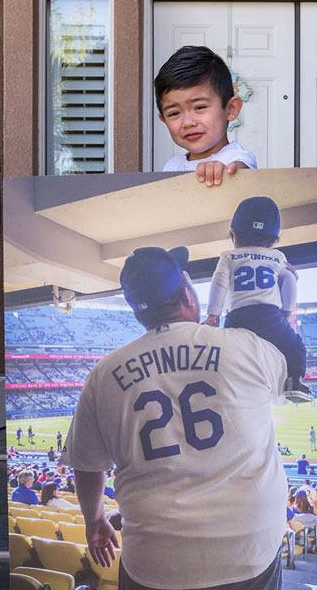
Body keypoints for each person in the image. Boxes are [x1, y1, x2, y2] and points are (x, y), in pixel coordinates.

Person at [63, 246, 287, 590]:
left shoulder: (102, 375)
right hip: (249, 554)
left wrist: (94, 520)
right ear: (187, 295)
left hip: (153, 564)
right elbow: (288, 384)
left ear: (138, 312)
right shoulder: (247, 346)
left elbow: (87, 463)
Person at [203, 196, 312, 403]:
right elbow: (289, 280)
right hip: (269, 316)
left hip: (237, 317)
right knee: (295, 346)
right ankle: (294, 383)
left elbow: (219, 282)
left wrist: (213, 315)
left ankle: (227, 386)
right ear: (273, 242)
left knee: (229, 353)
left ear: (233, 234)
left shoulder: (228, 256)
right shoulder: (278, 257)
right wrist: (286, 313)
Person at [155, 45, 256, 186]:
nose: (188, 122)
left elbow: (242, 172)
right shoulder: (171, 167)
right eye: (174, 113)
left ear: (231, 109)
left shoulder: (236, 158)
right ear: (164, 120)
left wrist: (227, 173)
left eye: (199, 107)